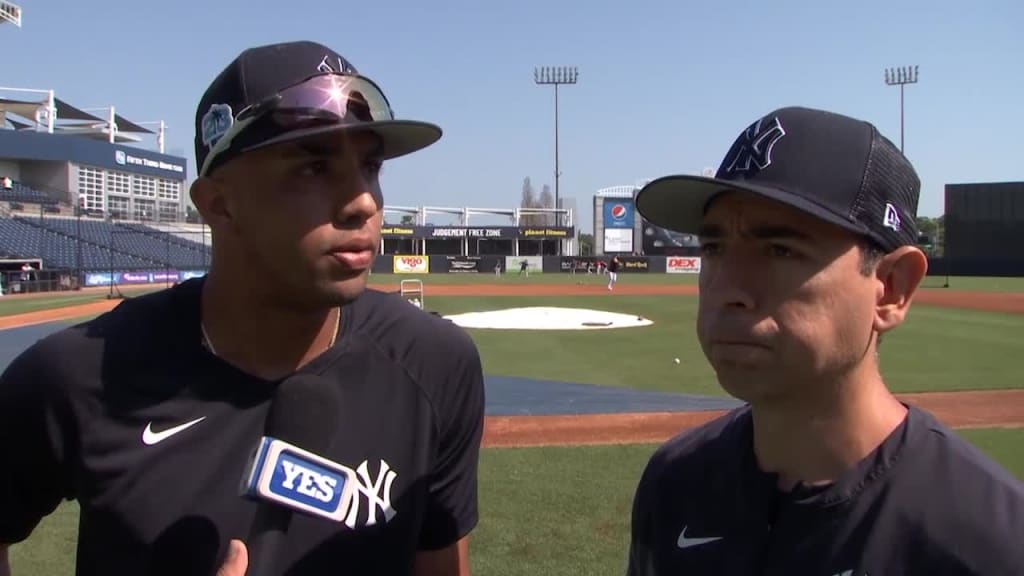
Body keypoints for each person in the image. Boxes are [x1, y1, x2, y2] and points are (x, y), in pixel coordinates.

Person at [0, 40, 486, 576]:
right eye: (313, 168)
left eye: (370, 167)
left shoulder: (436, 365)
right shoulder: (75, 376)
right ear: (217, 204)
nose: (364, 201)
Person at [626, 106, 1024, 575]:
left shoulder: (991, 540)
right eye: (713, 248)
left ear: (892, 288)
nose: (727, 289)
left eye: (780, 249)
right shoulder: (674, 482)